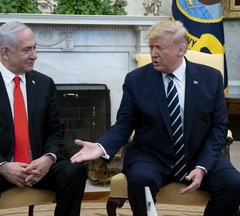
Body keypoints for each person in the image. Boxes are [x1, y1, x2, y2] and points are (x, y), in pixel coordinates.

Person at [71, 20, 240, 216]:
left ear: (181, 49)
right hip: (151, 155)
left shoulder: (210, 78)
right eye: (151, 47)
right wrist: (101, 147)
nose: (152, 54)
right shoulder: (136, 80)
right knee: (140, 180)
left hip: (197, 153)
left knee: (234, 184)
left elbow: (219, 126)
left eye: (159, 48)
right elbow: (125, 123)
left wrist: (202, 166)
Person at [0, 21, 87, 216]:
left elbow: (56, 130)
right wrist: (2, 166)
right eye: (27, 50)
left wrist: (48, 159)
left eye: (35, 47)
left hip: (37, 166)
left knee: (75, 172)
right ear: (5, 52)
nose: (34, 55)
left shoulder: (44, 83)